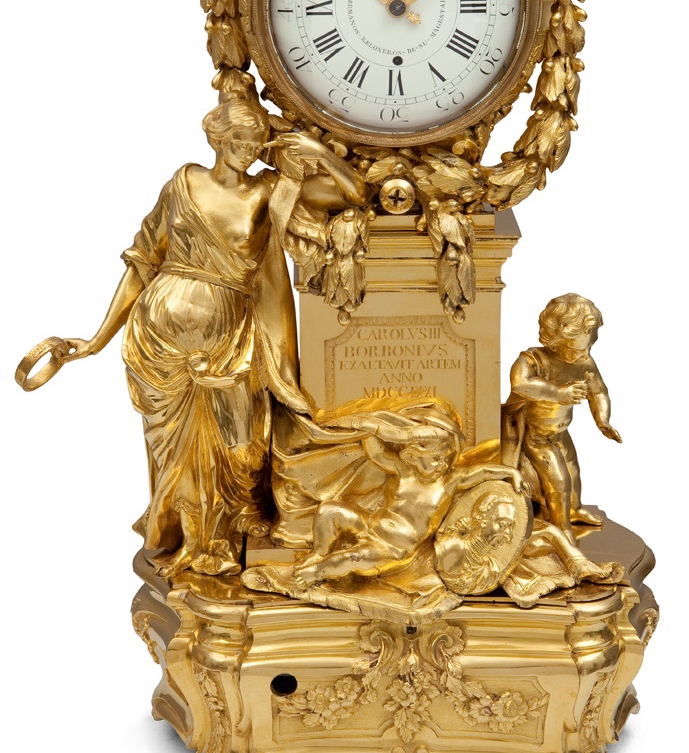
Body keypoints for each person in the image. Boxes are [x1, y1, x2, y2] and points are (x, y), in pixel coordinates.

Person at [50, 73, 367, 577]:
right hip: (158, 339)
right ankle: (196, 542)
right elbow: (142, 261)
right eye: (237, 138)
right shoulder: (182, 183)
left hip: (228, 342)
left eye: (255, 141)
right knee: (174, 453)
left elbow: (353, 195)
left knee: (242, 448)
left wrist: (318, 153)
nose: (247, 148)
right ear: (215, 137)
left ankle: (233, 527)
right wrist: (96, 339)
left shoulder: (270, 190)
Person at [292, 405, 527, 588]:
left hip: (393, 550)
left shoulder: (449, 482)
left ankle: (315, 573)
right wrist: (367, 426)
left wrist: (512, 473)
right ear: (412, 457)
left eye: (446, 459)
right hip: (369, 525)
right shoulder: (403, 471)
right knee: (328, 510)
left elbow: (482, 471)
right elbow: (377, 453)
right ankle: (319, 553)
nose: (442, 464)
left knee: (352, 558)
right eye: (435, 459)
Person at [501, 293, 621, 541]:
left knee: (573, 473)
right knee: (559, 480)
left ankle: (574, 510)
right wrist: (558, 393)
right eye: (579, 347)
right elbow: (520, 384)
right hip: (535, 436)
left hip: (560, 433)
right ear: (562, 334)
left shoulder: (584, 362)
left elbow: (598, 392)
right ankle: (561, 526)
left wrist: (603, 420)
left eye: (589, 345)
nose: (585, 352)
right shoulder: (534, 359)